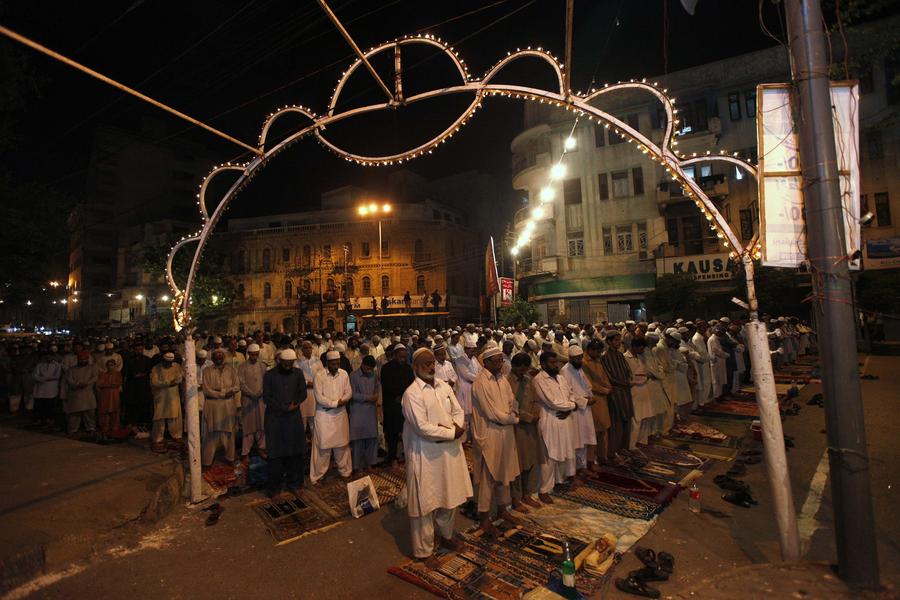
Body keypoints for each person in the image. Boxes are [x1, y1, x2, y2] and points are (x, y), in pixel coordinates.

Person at [401, 348, 471, 567]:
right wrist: (451, 432)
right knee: (426, 502)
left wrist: (455, 426)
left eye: (432, 363)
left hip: (449, 452)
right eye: (425, 364)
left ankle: (446, 536)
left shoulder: (443, 386)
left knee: (449, 496)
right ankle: (423, 551)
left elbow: (458, 410)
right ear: (416, 367)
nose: (431, 367)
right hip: (425, 455)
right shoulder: (412, 394)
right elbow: (422, 427)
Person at [471, 346, 520, 536]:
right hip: (489, 434)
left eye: (502, 360)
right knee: (488, 476)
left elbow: (511, 400)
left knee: (504, 472)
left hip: (505, 432)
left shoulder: (502, 379)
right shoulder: (480, 383)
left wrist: (514, 411)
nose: (501, 364)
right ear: (487, 362)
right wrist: (513, 418)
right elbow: (491, 413)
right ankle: (484, 517)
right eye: (497, 361)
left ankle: (502, 510)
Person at [533, 351, 578, 502]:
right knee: (550, 455)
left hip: (564, 420)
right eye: (552, 363)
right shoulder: (539, 380)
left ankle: (559, 481)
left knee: (563, 452)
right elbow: (552, 402)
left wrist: (570, 407)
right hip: (550, 420)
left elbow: (571, 395)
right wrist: (571, 406)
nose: (556, 365)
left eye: (556, 362)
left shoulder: (561, 378)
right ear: (543, 364)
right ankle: (544, 489)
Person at [263, 349, 307, 497]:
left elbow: (303, 392)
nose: (288, 366)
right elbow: (267, 398)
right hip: (275, 420)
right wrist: (284, 407)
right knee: (276, 454)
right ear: (279, 361)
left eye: (291, 364)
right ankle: (274, 489)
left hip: (293, 418)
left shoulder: (298, 373)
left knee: (295, 453)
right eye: (286, 364)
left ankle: (294, 484)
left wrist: (295, 403)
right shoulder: (269, 375)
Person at [310, 350, 353, 484]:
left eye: (337, 363)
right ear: (327, 363)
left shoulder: (344, 374)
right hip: (324, 415)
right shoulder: (319, 376)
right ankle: (317, 476)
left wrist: (342, 401)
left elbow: (349, 392)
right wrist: (336, 403)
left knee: (342, 445)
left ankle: (345, 471)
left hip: (340, 415)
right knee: (323, 447)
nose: (336, 365)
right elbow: (319, 397)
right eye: (333, 363)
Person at [507, 352, 543, 511]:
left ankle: (526, 494)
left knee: (529, 462)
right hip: (515, 428)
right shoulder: (506, 382)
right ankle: (515, 499)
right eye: (520, 369)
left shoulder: (529, 380)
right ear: (513, 366)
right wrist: (528, 417)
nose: (522, 372)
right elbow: (508, 407)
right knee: (517, 465)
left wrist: (536, 413)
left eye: (525, 369)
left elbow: (536, 400)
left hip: (530, 428)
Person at [560, 345, 597, 476]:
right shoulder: (565, 371)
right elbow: (568, 393)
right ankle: (575, 469)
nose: (579, 361)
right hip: (576, 410)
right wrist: (585, 401)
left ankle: (583, 466)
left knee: (585, 439)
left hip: (585, 410)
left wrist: (591, 397)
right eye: (576, 359)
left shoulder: (579, 368)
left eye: (580, 358)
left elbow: (587, 385)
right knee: (577, 440)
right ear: (570, 358)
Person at [201, 348, 239, 467]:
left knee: (229, 433)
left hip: (228, 405)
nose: (218, 358)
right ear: (212, 358)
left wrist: (219, 391)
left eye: (220, 356)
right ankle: (207, 462)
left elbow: (236, 387)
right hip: (213, 407)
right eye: (216, 356)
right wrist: (224, 393)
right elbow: (207, 390)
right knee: (211, 434)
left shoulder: (231, 370)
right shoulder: (207, 371)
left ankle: (230, 457)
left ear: (224, 357)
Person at [600, 331, 633, 457]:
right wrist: (624, 383)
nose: (618, 343)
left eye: (619, 340)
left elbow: (628, 371)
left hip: (625, 392)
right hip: (615, 394)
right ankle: (613, 452)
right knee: (616, 424)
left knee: (627, 422)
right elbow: (609, 377)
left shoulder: (620, 355)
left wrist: (629, 380)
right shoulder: (605, 356)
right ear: (608, 341)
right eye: (616, 340)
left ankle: (623, 448)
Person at [381, 344, 414, 465]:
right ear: (395, 356)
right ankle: (392, 457)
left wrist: (404, 395)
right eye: (400, 357)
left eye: (404, 357)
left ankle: (407, 454)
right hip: (392, 404)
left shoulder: (408, 368)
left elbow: (412, 384)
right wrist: (399, 394)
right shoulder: (386, 368)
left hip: (405, 404)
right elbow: (387, 385)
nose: (403, 360)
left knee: (406, 430)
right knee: (392, 433)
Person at [581, 340, 612, 467]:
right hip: (593, 399)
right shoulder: (583, 362)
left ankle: (602, 455)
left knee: (604, 429)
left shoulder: (597, 360)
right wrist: (604, 390)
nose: (599, 354)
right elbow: (589, 383)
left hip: (603, 398)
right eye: (598, 351)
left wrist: (608, 387)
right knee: (594, 430)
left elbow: (604, 377)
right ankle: (591, 460)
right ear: (590, 350)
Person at [349, 355, 379, 473]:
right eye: (367, 368)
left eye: (371, 369)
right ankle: (357, 466)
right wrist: (369, 398)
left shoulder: (374, 375)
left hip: (371, 411)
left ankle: (371, 464)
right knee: (358, 440)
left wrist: (376, 396)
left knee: (372, 438)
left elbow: (377, 388)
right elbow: (352, 394)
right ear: (362, 365)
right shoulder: (353, 376)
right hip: (358, 411)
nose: (369, 371)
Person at [238, 344, 267, 463]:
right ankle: (246, 452)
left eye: (256, 355)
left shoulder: (262, 366)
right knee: (248, 425)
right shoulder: (242, 366)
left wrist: (260, 393)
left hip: (260, 399)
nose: (254, 357)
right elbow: (241, 382)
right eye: (252, 355)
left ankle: (262, 448)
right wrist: (251, 393)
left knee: (261, 424)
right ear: (248, 354)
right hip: (248, 399)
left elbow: (266, 381)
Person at [623, 338, 655, 447]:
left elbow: (643, 372)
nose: (642, 350)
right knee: (636, 420)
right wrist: (645, 377)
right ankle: (631, 445)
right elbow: (632, 377)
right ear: (635, 346)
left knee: (645, 418)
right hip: (634, 392)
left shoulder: (639, 357)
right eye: (641, 347)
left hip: (644, 391)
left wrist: (645, 376)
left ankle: (641, 441)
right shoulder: (625, 358)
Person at [150, 352, 183, 452]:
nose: (169, 364)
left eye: (170, 362)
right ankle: (158, 438)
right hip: (160, 396)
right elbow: (154, 382)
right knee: (159, 416)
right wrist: (168, 383)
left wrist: (168, 383)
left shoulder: (177, 366)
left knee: (174, 415)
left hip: (173, 395)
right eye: (167, 362)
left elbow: (179, 378)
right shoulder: (156, 368)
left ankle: (176, 435)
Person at [64, 350, 97, 435]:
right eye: (81, 360)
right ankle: (73, 430)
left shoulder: (92, 367)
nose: (82, 361)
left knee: (89, 413)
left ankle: (91, 428)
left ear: (87, 359)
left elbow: (95, 377)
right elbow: (69, 379)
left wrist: (86, 383)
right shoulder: (71, 369)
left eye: (84, 359)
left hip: (88, 393)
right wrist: (77, 385)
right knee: (75, 414)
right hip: (76, 394)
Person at [453, 339, 481, 438]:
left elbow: (480, 370)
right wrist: (480, 379)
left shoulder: (474, 359)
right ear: (466, 349)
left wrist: (480, 377)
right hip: (465, 389)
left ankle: (470, 437)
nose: (473, 352)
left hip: (474, 388)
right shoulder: (460, 360)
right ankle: (463, 439)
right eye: (472, 350)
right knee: (465, 415)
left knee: (473, 414)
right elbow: (467, 375)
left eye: (474, 350)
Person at [32, 350, 62, 428]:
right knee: (40, 404)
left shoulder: (57, 365)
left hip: (51, 388)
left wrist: (44, 378)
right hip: (40, 388)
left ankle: (49, 419)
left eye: (50, 356)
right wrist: (43, 379)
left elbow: (57, 376)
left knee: (50, 404)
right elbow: (34, 375)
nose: (48, 357)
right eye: (47, 356)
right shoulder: (40, 365)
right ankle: (40, 419)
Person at [95, 358, 123, 436]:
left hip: (114, 395)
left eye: (112, 365)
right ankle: (105, 426)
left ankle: (115, 425)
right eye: (109, 365)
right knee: (105, 411)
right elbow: (99, 384)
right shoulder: (103, 374)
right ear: (106, 366)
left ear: (114, 366)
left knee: (115, 410)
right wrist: (110, 385)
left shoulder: (118, 374)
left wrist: (107, 385)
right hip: (105, 395)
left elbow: (118, 383)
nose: (110, 367)